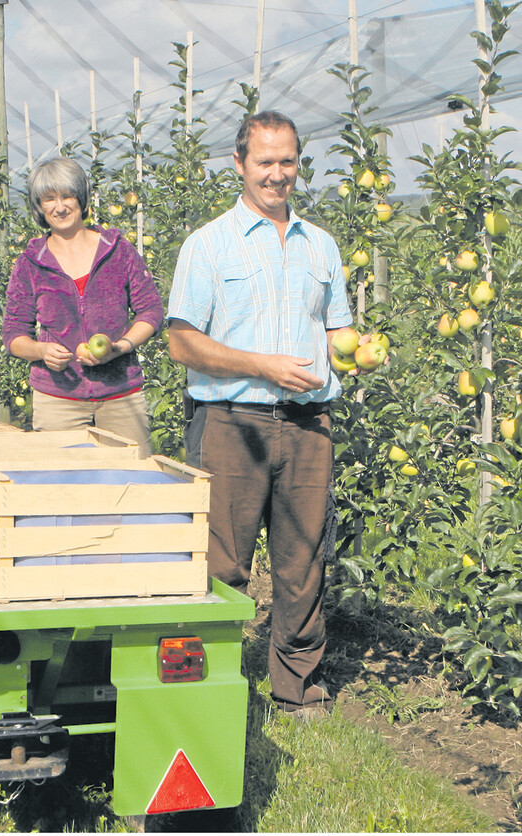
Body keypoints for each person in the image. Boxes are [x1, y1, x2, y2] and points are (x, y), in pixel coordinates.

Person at [167, 111, 353, 720]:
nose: (277, 174)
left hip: (307, 423)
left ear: (300, 163)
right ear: (240, 164)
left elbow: (339, 332)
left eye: (287, 161)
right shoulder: (208, 243)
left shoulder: (321, 245)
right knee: (223, 559)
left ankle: (297, 687)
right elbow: (182, 342)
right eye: (264, 162)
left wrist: (358, 352)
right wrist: (262, 365)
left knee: (303, 558)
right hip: (230, 422)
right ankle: (213, 683)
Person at [3, 157, 163, 454]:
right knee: (65, 488)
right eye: (49, 199)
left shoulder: (117, 251)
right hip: (58, 399)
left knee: (133, 481)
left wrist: (121, 346)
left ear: (82, 199)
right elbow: (13, 335)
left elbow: (150, 311)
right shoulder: (30, 264)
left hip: (120, 395)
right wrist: (41, 351)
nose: (59, 206)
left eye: (67, 196)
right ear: (39, 206)